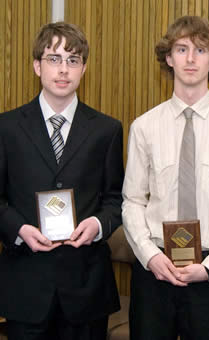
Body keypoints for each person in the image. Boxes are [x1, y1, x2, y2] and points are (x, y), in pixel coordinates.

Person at [122, 16, 209, 340]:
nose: (191, 58)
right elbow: (132, 201)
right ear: (169, 58)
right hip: (154, 271)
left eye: (200, 49)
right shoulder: (144, 127)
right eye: (181, 49)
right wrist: (149, 256)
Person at [0, 22, 124, 339]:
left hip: (86, 286)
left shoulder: (106, 130)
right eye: (54, 58)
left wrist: (97, 225)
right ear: (36, 66)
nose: (63, 69)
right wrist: (19, 229)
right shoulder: (7, 127)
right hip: (25, 285)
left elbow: (115, 199)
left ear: (83, 68)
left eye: (72, 60)